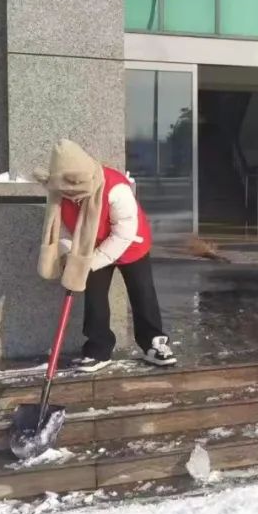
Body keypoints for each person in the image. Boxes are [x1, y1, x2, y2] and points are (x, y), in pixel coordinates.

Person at [35, 139, 177, 372]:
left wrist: (93, 261)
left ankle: (154, 343)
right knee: (95, 296)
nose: (72, 198)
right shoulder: (59, 193)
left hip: (130, 243)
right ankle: (98, 349)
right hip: (90, 245)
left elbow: (124, 232)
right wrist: (70, 254)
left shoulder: (115, 188)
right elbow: (62, 229)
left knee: (142, 292)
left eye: (75, 193)